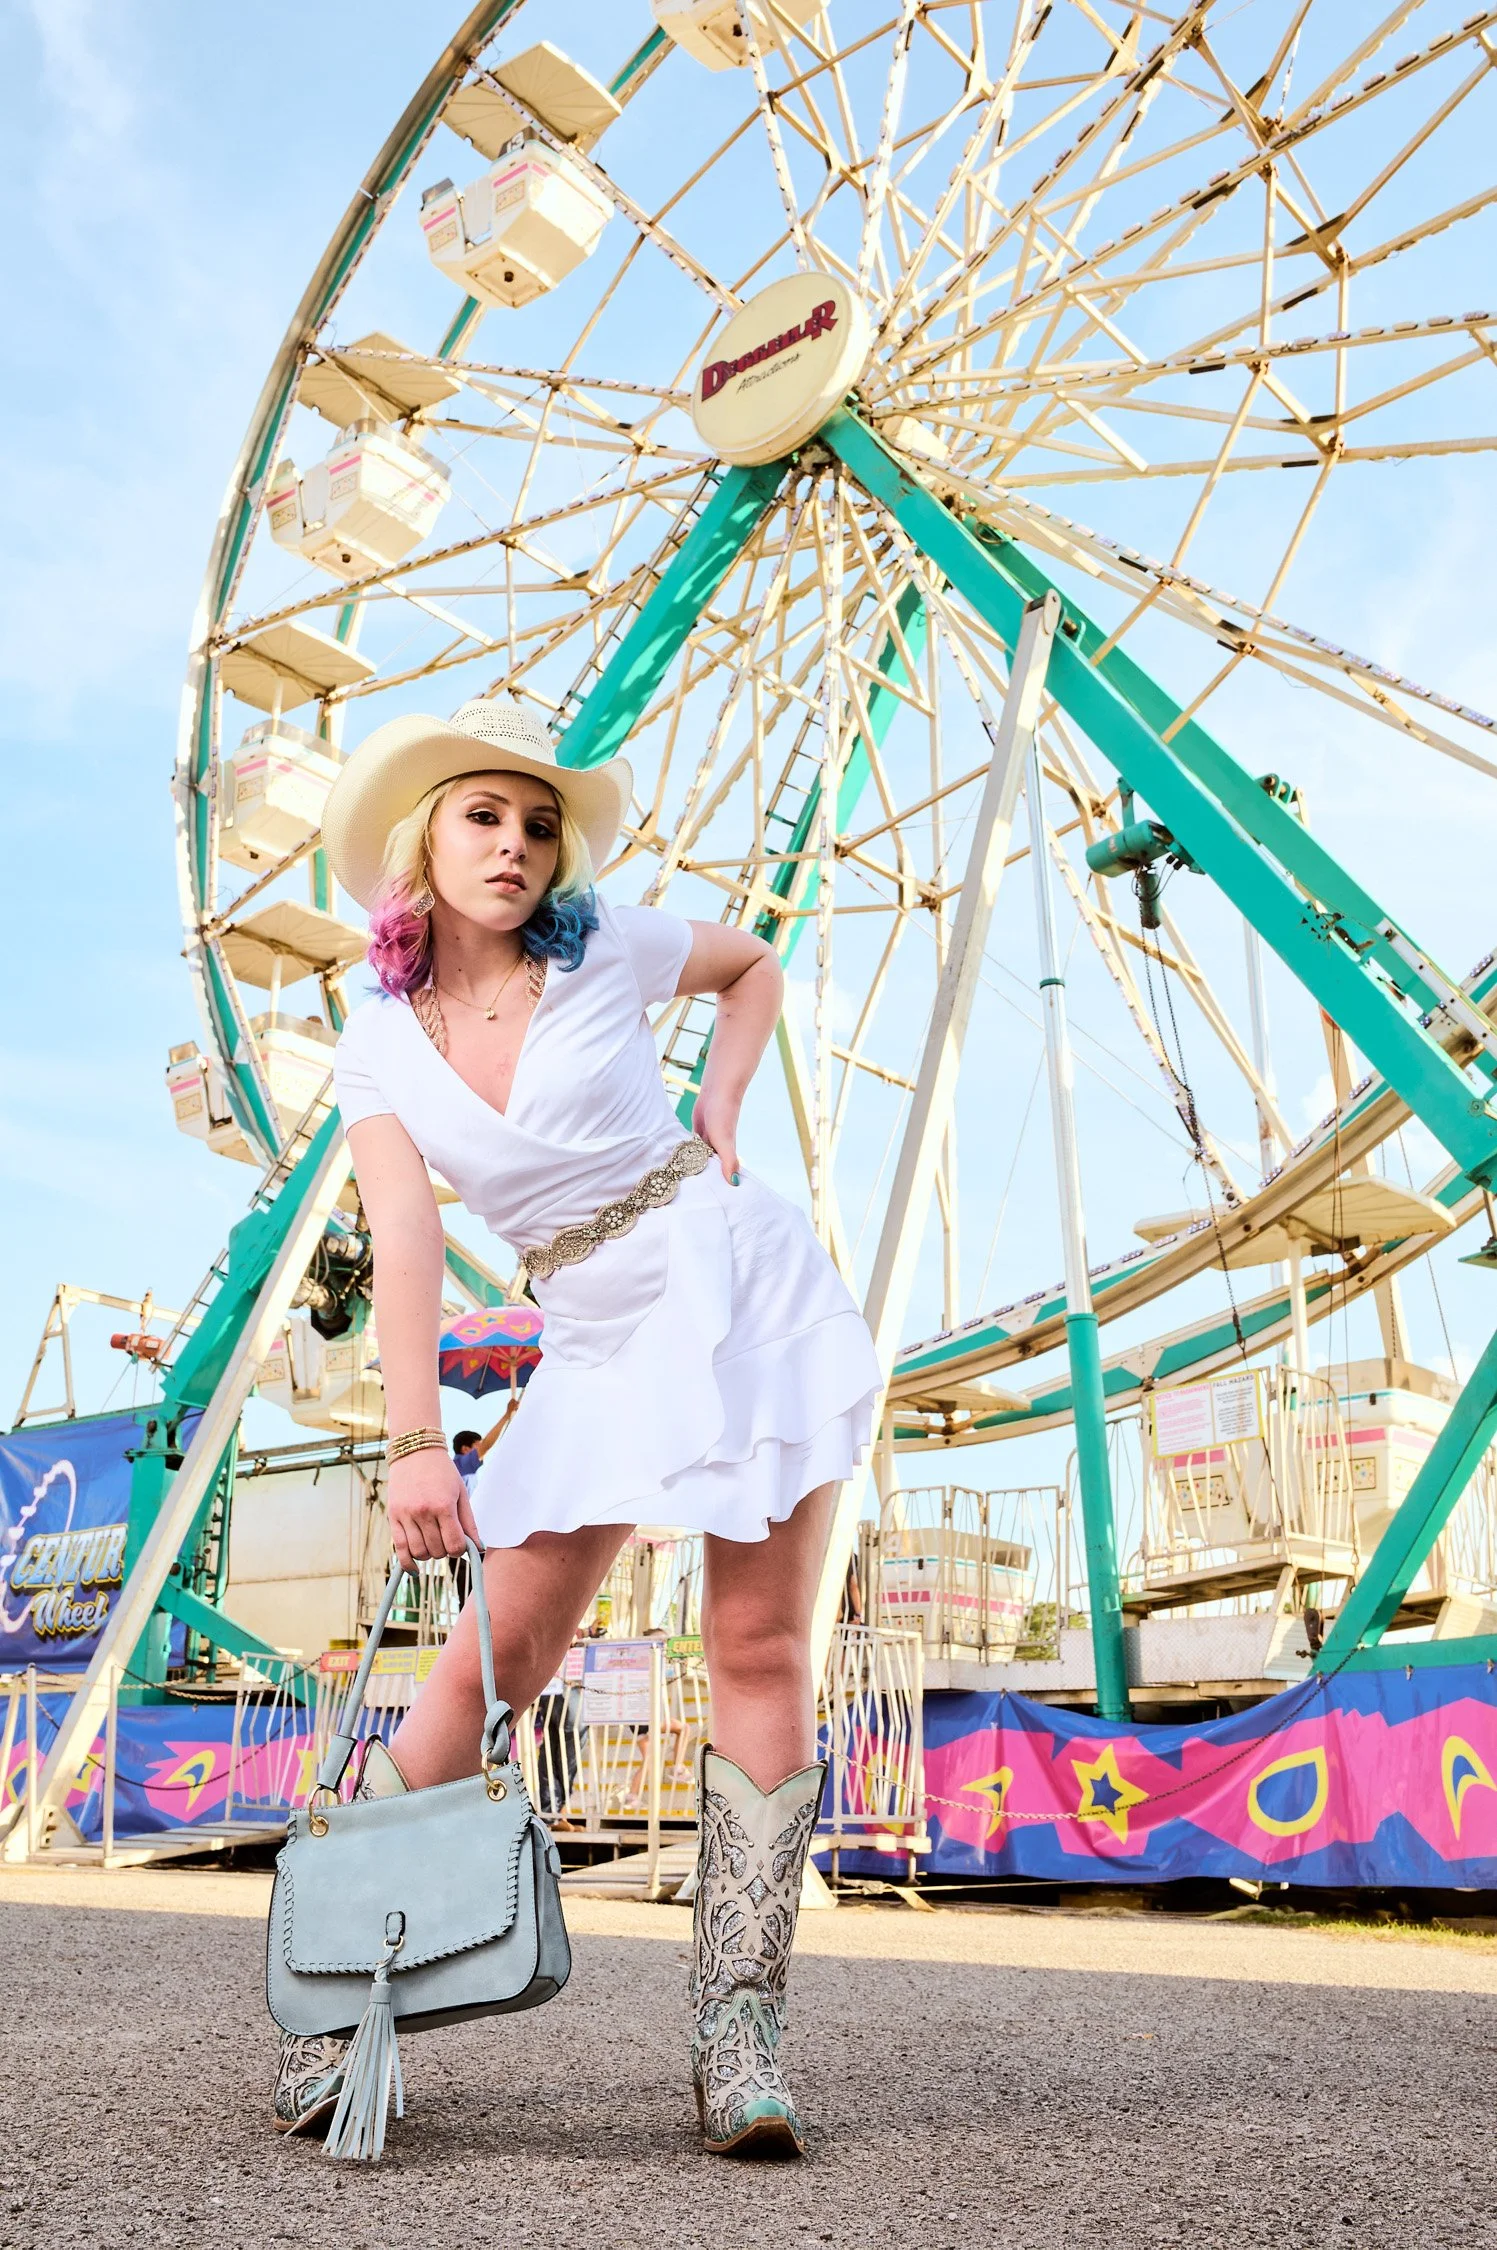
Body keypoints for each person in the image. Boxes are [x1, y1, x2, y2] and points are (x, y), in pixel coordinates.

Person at [270, 694, 881, 2155]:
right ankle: (354, 1988)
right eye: (485, 814)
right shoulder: (375, 1043)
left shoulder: (605, 943)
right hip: (592, 1331)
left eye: (539, 823)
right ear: (421, 836)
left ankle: (740, 2036)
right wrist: (416, 1436)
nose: (518, 844)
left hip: (728, 1277)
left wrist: (724, 1107)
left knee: (757, 1641)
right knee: (499, 1655)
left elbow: (752, 966)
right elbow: (405, 1235)